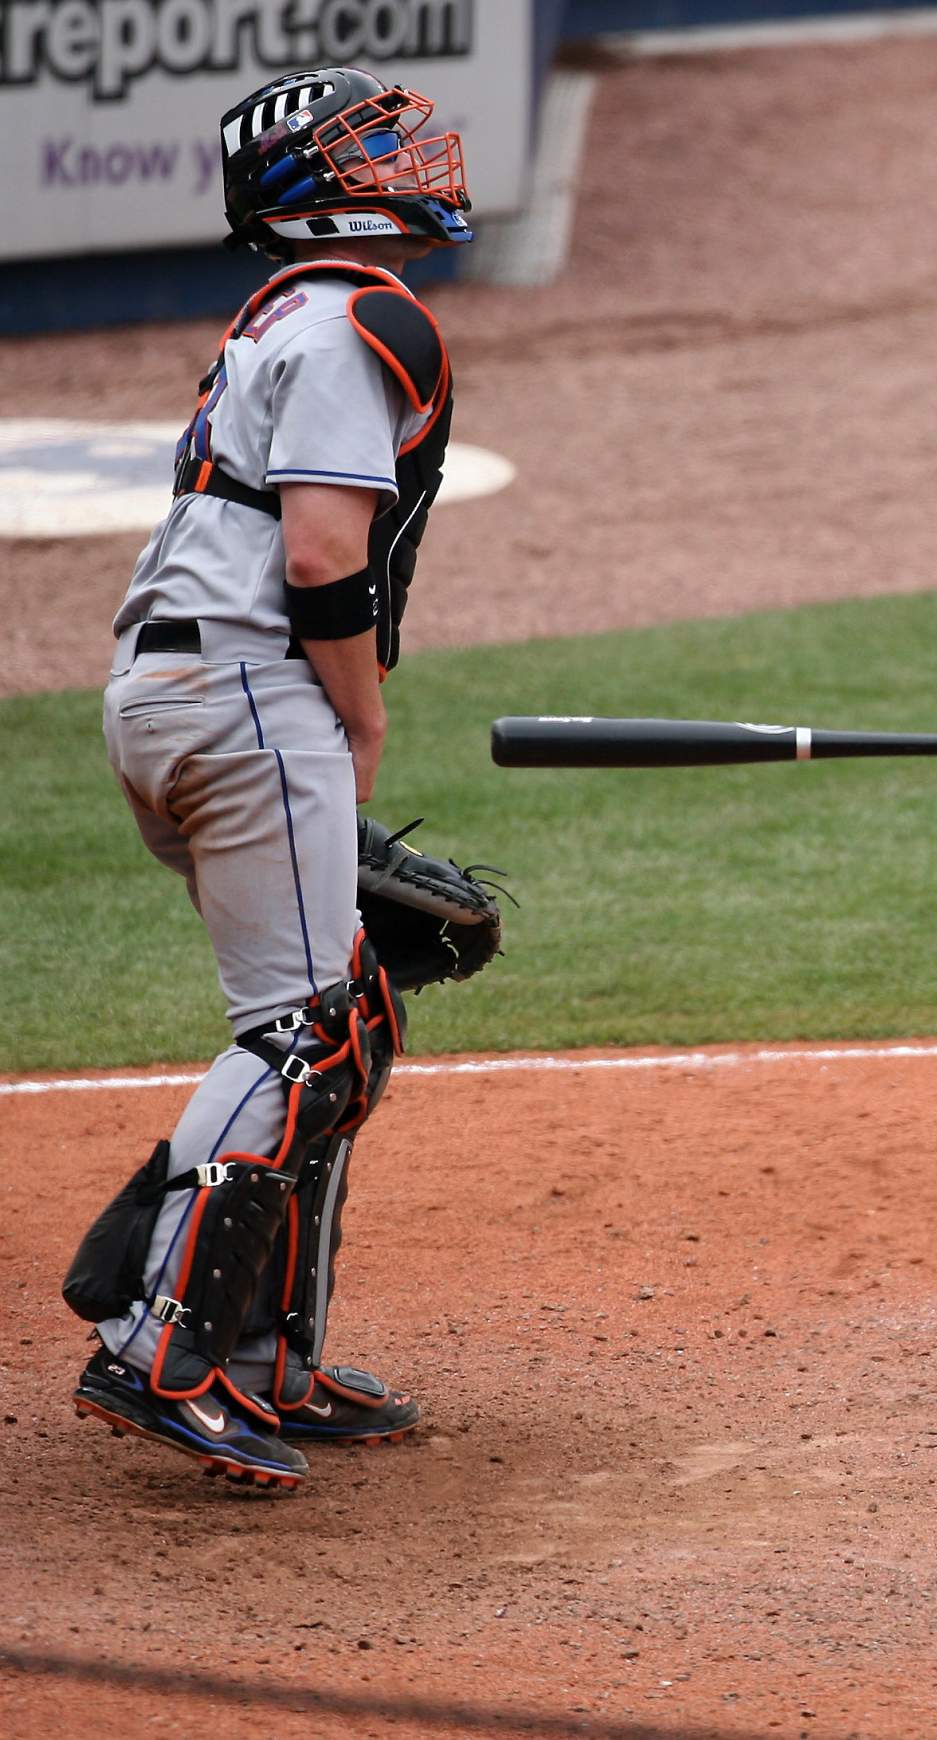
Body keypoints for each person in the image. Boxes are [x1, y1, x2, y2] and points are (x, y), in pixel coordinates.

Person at [64, 67, 474, 1491]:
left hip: (179, 694)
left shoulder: (284, 324)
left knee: (341, 1019)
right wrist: (358, 723)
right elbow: (318, 555)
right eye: (379, 143)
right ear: (321, 187)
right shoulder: (366, 318)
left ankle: (263, 1362)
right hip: (250, 693)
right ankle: (157, 1346)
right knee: (303, 1035)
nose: (418, 153)